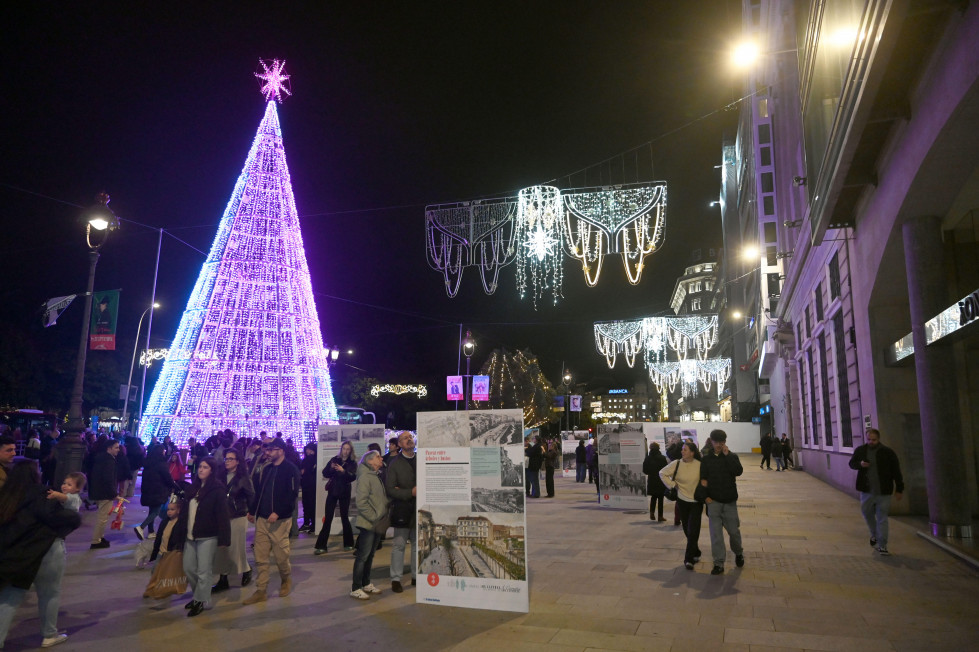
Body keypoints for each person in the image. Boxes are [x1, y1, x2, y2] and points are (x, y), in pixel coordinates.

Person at [0, 460, 82, 648]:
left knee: (11, 596)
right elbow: (62, 516)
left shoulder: (6, 496)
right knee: (49, 593)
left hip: (20, 554)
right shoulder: (41, 493)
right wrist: (73, 521)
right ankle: (49, 635)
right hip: (48, 549)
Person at [244, 437, 300, 604]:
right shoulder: (266, 469)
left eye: (271, 450)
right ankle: (261, 589)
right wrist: (253, 510)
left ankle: (285, 579)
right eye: (267, 450)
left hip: (280, 521)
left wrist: (279, 512)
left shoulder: (291, 469)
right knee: (260, 556)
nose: (267, 453)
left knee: (281, 556)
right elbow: (260, 491)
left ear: (281, 451)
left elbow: (292, 496)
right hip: (262, 518)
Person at [180, 456, 230, 616]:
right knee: (188, 568)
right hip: (190, 536)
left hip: (207, 536)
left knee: (203, 570)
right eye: (200, 466)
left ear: (212, 470)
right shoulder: (193, 488)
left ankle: (200, 600)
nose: (201, 469)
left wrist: (224, 538)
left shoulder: (217, 489)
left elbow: (222, 515)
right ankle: (198, 595)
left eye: (205, 467)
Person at [848, 428, 904, 556]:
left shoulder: (887, 452)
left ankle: (882, 545)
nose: (871, 442)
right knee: (867, 513)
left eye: (874, 440)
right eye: (869, 439)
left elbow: (896, 471)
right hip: (866, 490)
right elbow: (851, 463)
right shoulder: (861, 450)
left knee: (882, 517)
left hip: (884, 491)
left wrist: (899, 488)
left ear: (878, 439)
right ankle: (874, 534)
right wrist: (860, 464)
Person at [700, 430, 745, 575]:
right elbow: (703, 479)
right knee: (716, 535)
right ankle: (718, 563)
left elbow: (738, 471)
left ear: (725, 442)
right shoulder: (706, 459)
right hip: (714, 502)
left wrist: (728, 456)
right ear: (711, 442)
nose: (719, 445)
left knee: (734, 532)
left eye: (722, 442)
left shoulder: (732, 456)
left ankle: (738, 552)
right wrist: (706, 498)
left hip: (730, 501)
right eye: (716, 442)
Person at [212, 449, 254, 592]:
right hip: (221, 517)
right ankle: (223, 579)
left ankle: (246, 570)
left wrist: (251, 512)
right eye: (226, 459)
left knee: (236, 549)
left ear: (238, 461)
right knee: (222, 549)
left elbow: (251, 497)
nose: (228, 461)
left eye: (231, 458)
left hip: (238, 516)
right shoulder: (220, 476)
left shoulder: (243, 478)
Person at [350, 450, 388, 600]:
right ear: (370, 461)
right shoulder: (366, 477)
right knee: (363, 556)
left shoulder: (374, 475)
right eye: (378, 456)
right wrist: (374, 517)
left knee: (370, 555)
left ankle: (365, 583)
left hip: (377, 523)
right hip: (369, 523)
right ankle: (355, 587)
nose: (381, 458)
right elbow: (361, 502)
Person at [660, 442, 703, 570]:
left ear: (692, 452)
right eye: (682, 450)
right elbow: (662, 473)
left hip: (696, 502)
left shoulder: (700, 465)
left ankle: (688, 559)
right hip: (682, 501)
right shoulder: (677, 463)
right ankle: (696, 551)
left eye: (685, 450)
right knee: (686, 529)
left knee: (693, 530)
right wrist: (672, 485)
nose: (682, 452)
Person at [313, 440, 357, 554]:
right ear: (341, 449)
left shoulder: (352, 462)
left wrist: (343, 471)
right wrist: (331, 468)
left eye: (348, 449)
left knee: (344, 517)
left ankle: (348, 544)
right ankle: (321, 546)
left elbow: (352, 477)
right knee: (328, 518)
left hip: (344, 492)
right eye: (344, 449)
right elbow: (325, 473)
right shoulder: (334, 459)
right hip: (332, 492)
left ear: (350, 450)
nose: (345, 451)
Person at [386, 430, 416, 593]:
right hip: (403, 510)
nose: (409, 440)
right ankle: (396, 579)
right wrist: (409, 492)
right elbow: (390, 489)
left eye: (410, 437)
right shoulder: (395, 463)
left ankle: (416, 576)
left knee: (417, 544)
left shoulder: (420, 459)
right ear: (399, 445)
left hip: (419, 510)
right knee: (399, 545)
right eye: (405, 438)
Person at [135, 445, 175, 540]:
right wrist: (173, 485)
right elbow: (167, 477)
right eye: (163, 450)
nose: (164, 452)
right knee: (156, 511)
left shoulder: (148, 463)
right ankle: (141, 527)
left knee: (152, 510)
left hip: (148, 490)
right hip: (158, 490)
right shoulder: (161, 463)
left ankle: (151, 531)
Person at [89, 438, 121, 549]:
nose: (118, 450)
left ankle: (100, 538)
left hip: (100, 492)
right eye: (116, 447)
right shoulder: (109, 461)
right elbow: (108, 479)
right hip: (105, 494)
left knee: (102, 517)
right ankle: (96, 541)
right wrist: (114, 493)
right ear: (109, 448)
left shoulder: (102, 458)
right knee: (102, 518)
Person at [642, 442, 668, 521]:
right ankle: (660, 516)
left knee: (653, 498)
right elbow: (666, 469)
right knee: (660, 498)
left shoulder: (647, 458)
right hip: (660, 480)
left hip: (652, 480)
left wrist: (650, 473)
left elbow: (645, 470)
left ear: (650, 448)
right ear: (658, 448)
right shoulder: (662, 458)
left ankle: (652, 513)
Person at [299, 443, 318, 533]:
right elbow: (302, 471)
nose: (308, 451)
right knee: (306, 505)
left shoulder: (315, 460)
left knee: (312, 505)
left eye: (310, 449)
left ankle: (313, 524)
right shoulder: (305, 460)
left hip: (313, 486)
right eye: (307, 449)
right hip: (306, 485)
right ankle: (306, 523)